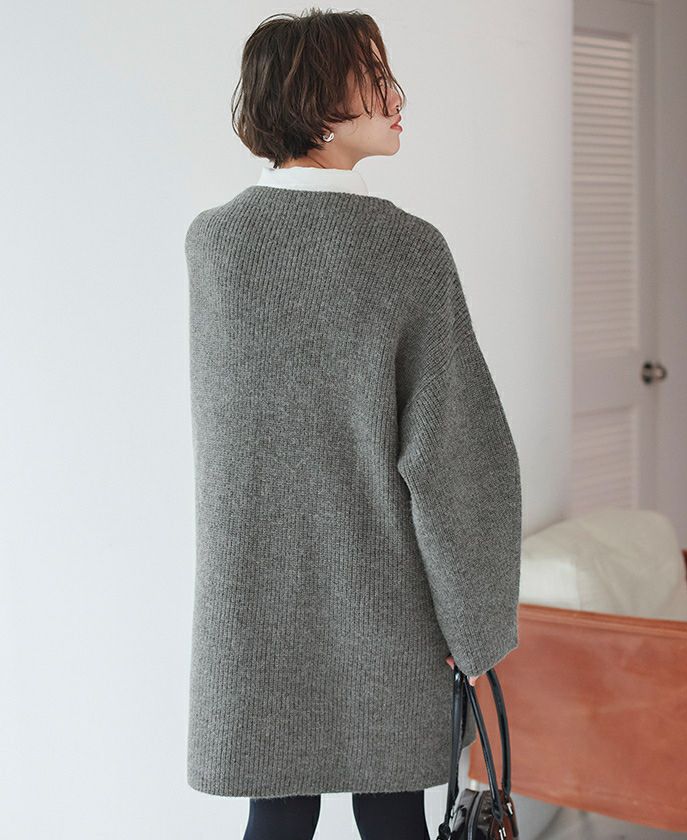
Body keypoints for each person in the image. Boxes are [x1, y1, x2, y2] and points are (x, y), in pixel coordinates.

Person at [185, 9, 522, 840]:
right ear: (317, 101)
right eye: (375, 79)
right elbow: (456, 457)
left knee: (277, 811)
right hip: (391, 603)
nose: (397, 97)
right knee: (394, 810)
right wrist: (471, 621)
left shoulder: (217, 245)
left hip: (255, 604)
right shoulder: (408, 251)